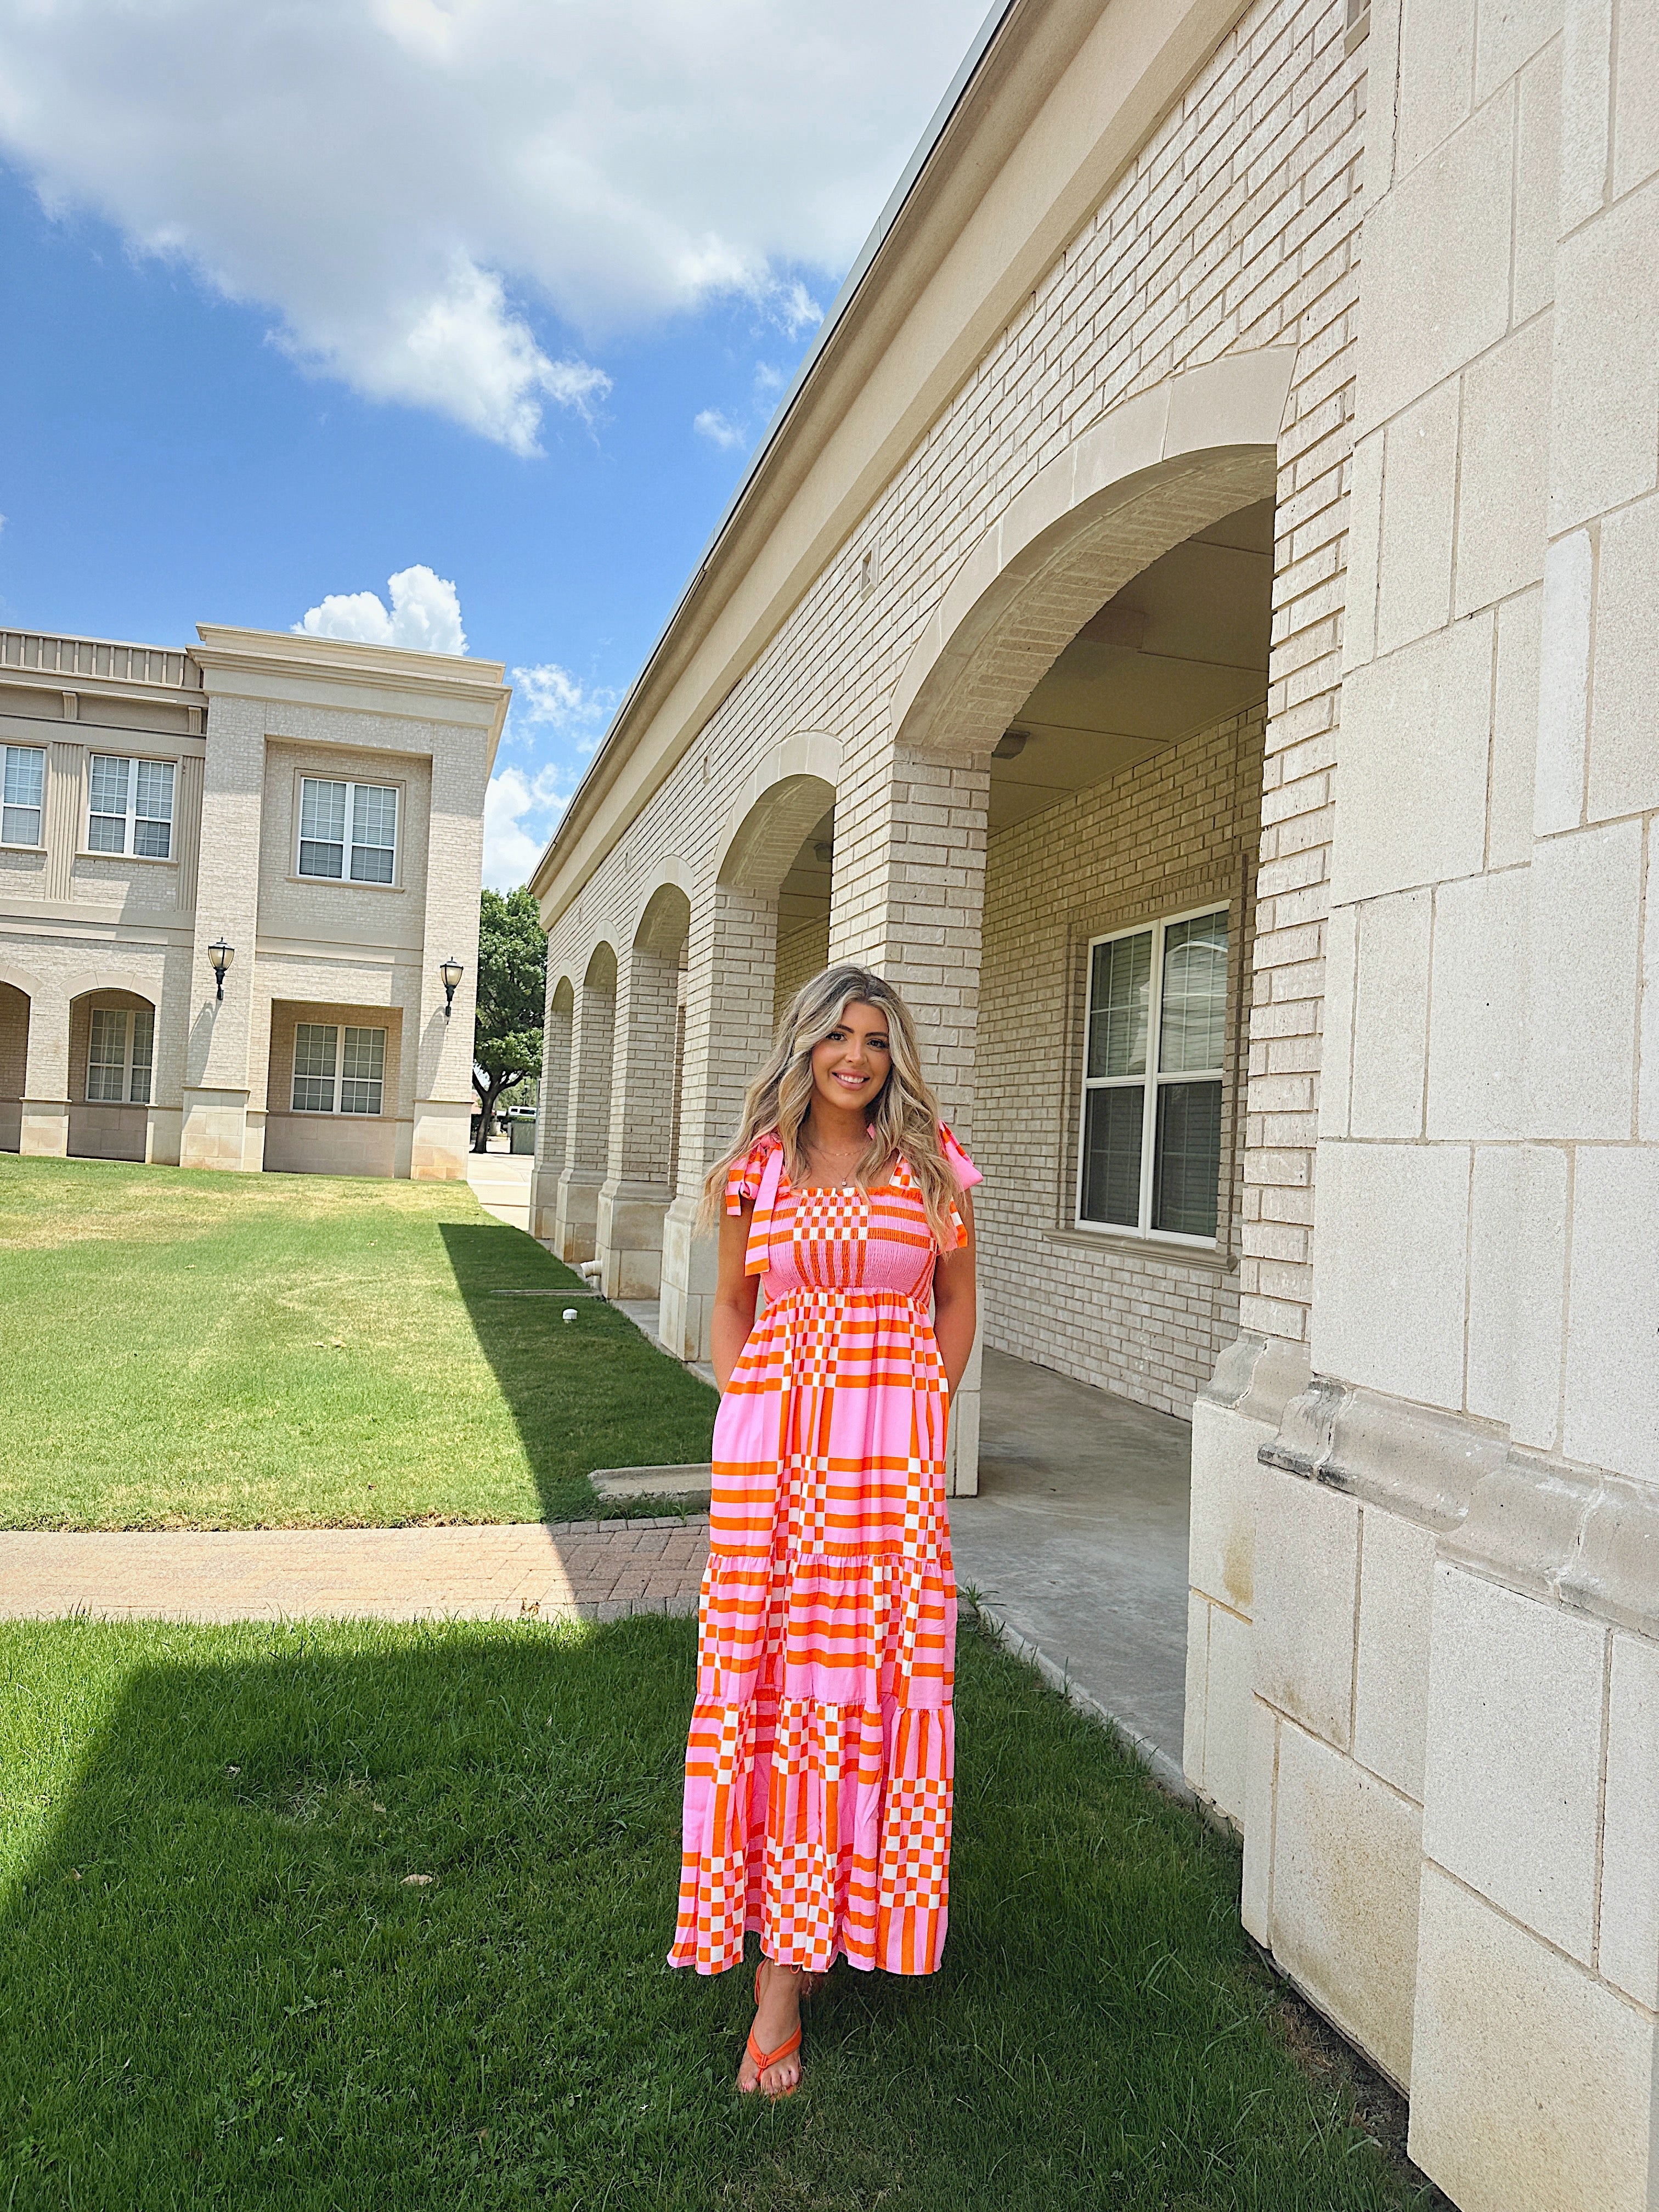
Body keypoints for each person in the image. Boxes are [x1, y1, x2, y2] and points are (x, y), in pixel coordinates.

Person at [667, 963, 980, 2097]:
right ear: (804, 1045)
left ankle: (820, 1932)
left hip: (884, 1474)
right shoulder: (760, 1167)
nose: (857, 1057)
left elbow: (956, 1304)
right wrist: (742, 1404)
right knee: (773, 1688)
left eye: (877, 1041)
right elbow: (732, 1306)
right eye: (839, 1037)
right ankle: (784, 1970)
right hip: (774, 1466)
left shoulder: (932, 1161)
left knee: (866, 1693)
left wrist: (915, 1417)